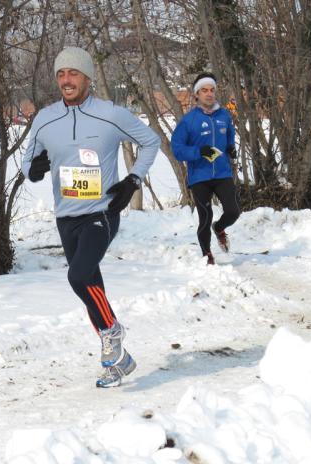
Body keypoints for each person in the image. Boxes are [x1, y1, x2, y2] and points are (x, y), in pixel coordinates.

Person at [22, 47, 160, 388]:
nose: (66, 80)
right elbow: (28, 161)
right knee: (89, 284)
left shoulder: (110, 115)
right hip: (65, 216)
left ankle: (112, 330)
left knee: (78, 274)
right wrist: (35, 168)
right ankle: (117, 362)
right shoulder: (45, 118)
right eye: (60, 74)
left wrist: (132, 181)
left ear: (87, 78)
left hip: (101, 213)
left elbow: (151, 141)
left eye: (73, 73)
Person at [171, 72, 240, 265]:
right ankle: (207, 255)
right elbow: (177, 149)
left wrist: (231, 148)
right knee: (205, 216)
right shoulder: (189, 120)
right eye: (204, 90)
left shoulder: (224, 115)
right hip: (199, 176)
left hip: (222, 172)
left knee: (233, 211)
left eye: (212, 90)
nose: (209, 94)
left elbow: (229, 135)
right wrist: (198, 152)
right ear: (196, 95)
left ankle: (219, 228)